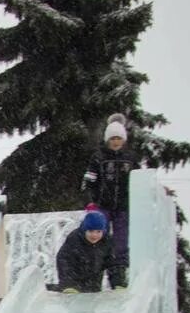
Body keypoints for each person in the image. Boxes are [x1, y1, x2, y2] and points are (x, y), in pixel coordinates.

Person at [82, 113, 139, 290]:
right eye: (112, 138)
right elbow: (88, 182)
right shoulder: (99, 158)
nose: (116, 142)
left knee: (121, 242)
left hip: (123, 207)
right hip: (102, 207)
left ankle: (118, 277)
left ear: (123, 140)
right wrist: (90, 203)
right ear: (107, 140)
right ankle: (95, 275)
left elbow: (140, 180)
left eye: (119, 138)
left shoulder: (130, 159)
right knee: (99, 239)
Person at [47, 210, 112, 294]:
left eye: (98, 232)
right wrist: (69, 285)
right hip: (73, 284)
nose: (94, 235)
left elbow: (114, 262)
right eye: (91, 231)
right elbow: (64, 261)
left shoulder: (106, 241)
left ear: (103, 231)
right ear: (85, 230)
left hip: (93, 286)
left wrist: (118, 283)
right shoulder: (75, 239)